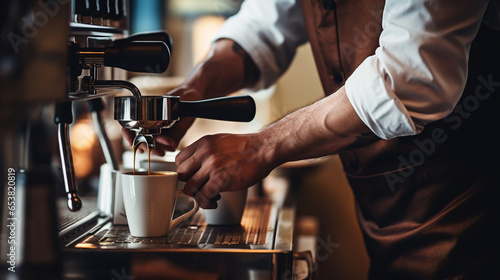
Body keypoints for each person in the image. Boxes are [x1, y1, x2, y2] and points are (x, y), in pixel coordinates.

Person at [123, 0, 500, 278]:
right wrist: (194, 90)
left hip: (472, 212)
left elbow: (408, 77)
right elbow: (262, 27)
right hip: (384, 213)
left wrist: (263, 145)